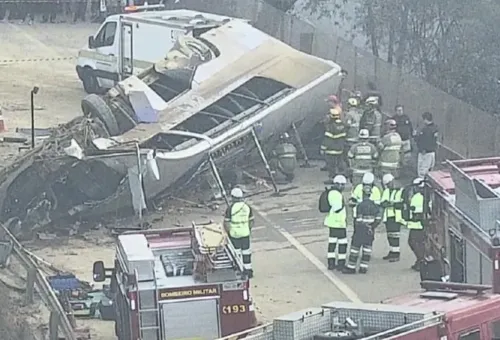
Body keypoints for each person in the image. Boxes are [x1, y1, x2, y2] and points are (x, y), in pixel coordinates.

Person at [343, 184, 382, 274]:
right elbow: (378, 219)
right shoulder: (375, 206)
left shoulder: (360, 205)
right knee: (367, 250)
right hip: (370, 231)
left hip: (360, 231)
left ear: (363, 194)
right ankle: (363, 267)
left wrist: (361, 226)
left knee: (355, 249)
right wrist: (372, 227)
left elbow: (359, 219)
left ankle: (351, 267)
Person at [224, 188, 255, 278]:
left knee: (236, 253)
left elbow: (226, 223)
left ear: (233, 197)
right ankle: (248, 270)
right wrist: (247, 229)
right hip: (245, 233)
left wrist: (228, 232)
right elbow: (251, 221)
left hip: (234, 234)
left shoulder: (230, 208)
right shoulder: (247, 207)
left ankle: (238, 270)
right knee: (246, 252)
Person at [323, 175, 348, 271]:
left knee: (332, 243)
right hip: (338, 223)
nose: (342, 187)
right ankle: (341, 264)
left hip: (333, 222)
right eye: (341, 185)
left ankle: (331, 263)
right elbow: (337, 208)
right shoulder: (336, 194)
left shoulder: (331, 192)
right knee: (342, 244)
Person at [380, 174, 404, 262]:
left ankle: (396, 254)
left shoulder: (400, 191)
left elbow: (401, 204)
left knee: (395, 236)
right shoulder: (386, 191)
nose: (389, 185)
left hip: (396, 216)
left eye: (390, 183)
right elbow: (383, 203)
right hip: (388, 216)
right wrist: (390, 204)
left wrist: (391, 204)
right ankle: (392, 252)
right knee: (390, 235)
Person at [321, 108, 346, 183]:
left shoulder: (331, 126)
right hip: (340, 149)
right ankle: (340, 177)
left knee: (331, 165)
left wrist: (323, 148)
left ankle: (332, 179)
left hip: (331, 150)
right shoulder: (342, 125)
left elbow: (328, 139)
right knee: (339, 164)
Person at [407, 178, 426, 271]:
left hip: (419, 225)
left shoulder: (420, 196)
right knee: (414, 243)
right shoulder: (417, 196)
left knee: (415, 243)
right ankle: (419, 260)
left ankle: (421, 261)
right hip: (415, 224)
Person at [415, 112, 438, 178]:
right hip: (432, 151)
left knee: (422, 170)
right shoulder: (435, 128)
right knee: (430, 170)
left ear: (425, 119)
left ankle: (421, 185)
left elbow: (423, 140)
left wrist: (416, 137)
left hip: (425, 153)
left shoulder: (426, 130)